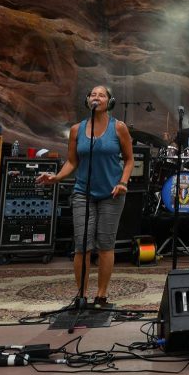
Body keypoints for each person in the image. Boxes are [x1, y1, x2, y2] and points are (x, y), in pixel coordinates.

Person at [37, 85, 134, 308]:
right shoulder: (76, 130)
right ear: (87, 100)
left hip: (112, 193)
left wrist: (123, 182)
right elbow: (72, 161)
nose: (96, 97)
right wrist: (56, 177)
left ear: (110, 101)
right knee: (82, 245)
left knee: (105, 244)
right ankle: (81, 295)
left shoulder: (118, 128)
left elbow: (129, 159)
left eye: (102, 95)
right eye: (93, 94)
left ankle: (101, 296)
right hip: (83, 193)